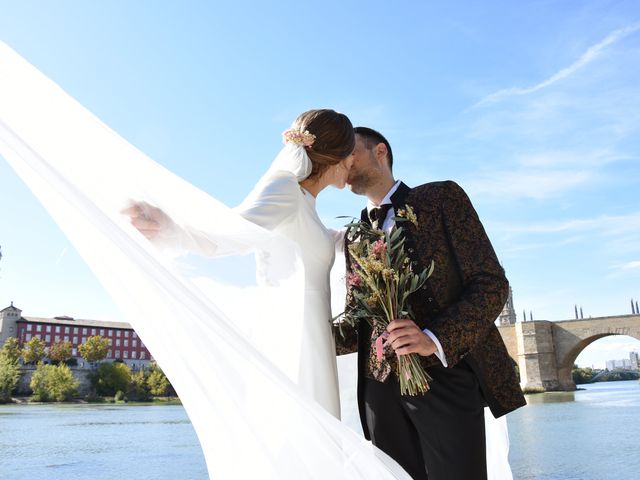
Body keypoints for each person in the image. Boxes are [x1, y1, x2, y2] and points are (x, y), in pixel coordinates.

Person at [123, 108, 354, 418]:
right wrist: (173, 229)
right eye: (351, 153)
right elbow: (233, 233)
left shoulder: (306, 204)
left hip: (316, 335)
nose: (353, 162)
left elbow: (316, 239)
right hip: (295, 338)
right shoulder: (285, 189)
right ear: (337, 156)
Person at [335, 127, 527, 480]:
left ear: (380, 152)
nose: (343, 162)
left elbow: (490, 284)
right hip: (379, 390)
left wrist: (433, 338)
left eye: (350, 152)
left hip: (446, 377)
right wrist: (295, 331)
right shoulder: (352, 235)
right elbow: (355, 321)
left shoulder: (441, 198)